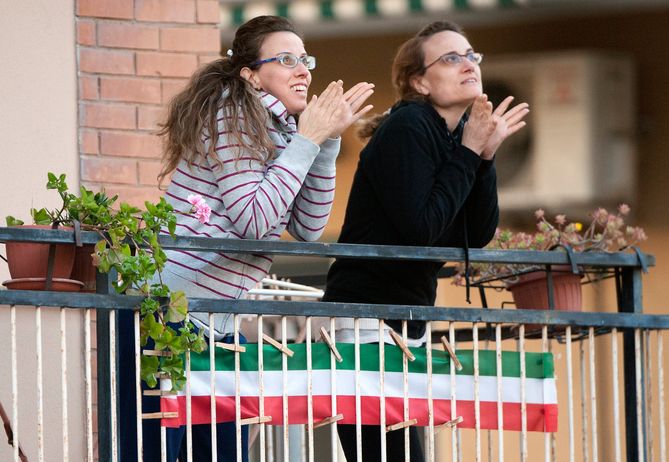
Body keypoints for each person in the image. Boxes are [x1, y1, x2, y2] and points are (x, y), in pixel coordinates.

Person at [118, 15, 374, 462]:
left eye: (305, 59)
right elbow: (254, 222)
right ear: (251, 74)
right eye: (287, 59)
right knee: (156, 451)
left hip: (218, 324)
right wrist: (308, 140)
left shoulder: (286, 131)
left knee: (222, 451)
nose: (303, 70)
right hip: (167, 314)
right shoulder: (232, 114)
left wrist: (325, 143)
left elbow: (309, 228)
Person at [321, 21, 529, 462]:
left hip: (405, 325)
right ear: (419, 81)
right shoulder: (410, 126)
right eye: (450, 58)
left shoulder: (449, 137)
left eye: (471, 55)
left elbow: (476, 233)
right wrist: (470, 152)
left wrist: (484, 157)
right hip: (366, 323)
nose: (468, 64)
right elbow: (423, 229)